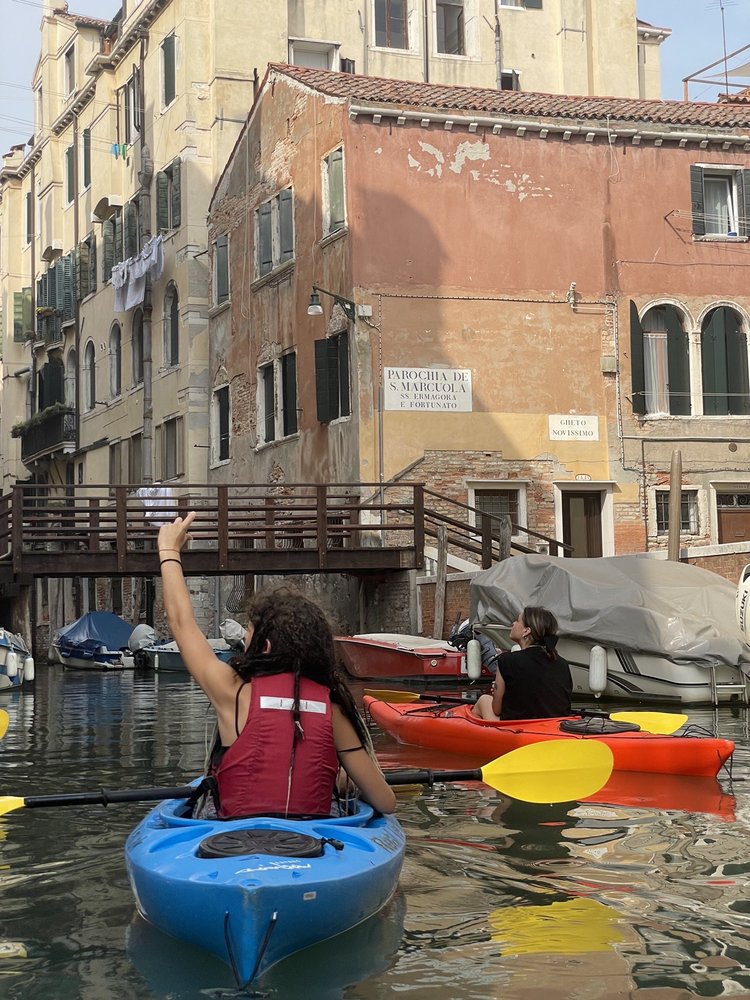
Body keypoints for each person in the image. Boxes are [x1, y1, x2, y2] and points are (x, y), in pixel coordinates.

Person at [158, 511, 396, 819]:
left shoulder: (231, 691)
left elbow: (181, 623)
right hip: (312, 841)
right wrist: (344, 779)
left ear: (266, 646)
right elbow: (386, 802)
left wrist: (168, 551)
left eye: (249, 630)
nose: (244, 637)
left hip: (235, 838)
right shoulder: (333, 707)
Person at [471, 607, 572, 721]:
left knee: (483, 700)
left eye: (517, 621)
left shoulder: (507, 660)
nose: (513, 623)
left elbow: (496, 709)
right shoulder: (563, 664)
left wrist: (498, 693)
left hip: (518, 726)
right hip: (554, 725)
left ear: (526, 631)